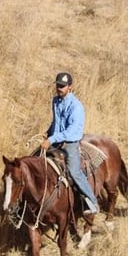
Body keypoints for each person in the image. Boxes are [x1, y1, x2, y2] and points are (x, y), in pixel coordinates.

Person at [40, 72, 99, 215]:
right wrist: (48, 132)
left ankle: (92, 203)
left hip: (70, 143)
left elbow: (71, 131)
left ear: (70, 87)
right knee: (36, 161)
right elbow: (57, 122)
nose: (59, 88)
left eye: (63, 86)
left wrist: (51, 140)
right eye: (58, 85)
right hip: (55, 139)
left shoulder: (76, 107)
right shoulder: (55, 101)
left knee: (74, 172)